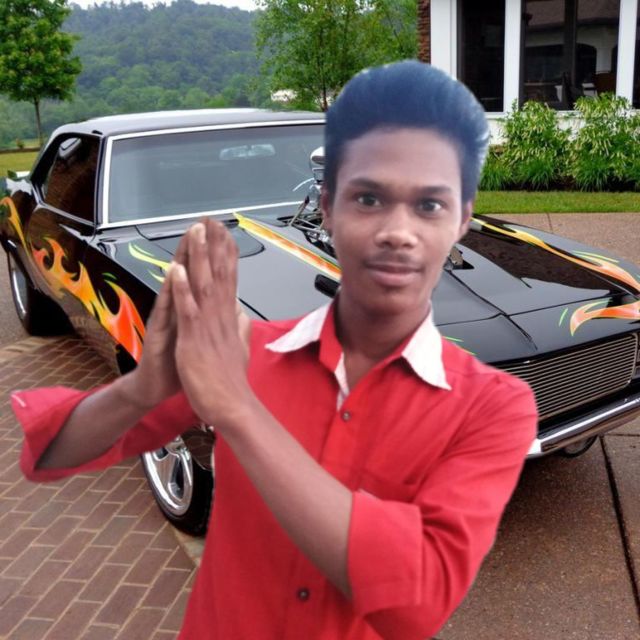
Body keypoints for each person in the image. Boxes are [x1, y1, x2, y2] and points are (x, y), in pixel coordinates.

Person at [15, 61, 537, 639]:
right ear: (328, 207)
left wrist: (239, 413)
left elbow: (414, 602)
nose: (397, 231)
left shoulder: (495, 405)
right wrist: (142, 388)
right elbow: (52, 455)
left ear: (462, 219)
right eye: (368, 198)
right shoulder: (246, 350)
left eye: (430, 205)